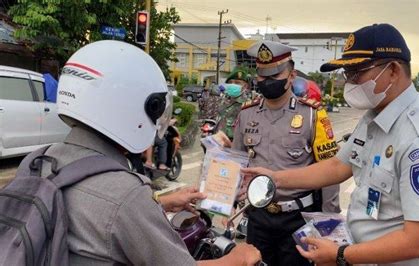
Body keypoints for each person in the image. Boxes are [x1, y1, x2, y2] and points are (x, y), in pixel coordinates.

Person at [243, 24, 419, 265]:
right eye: (347, 73)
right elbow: (337, 167)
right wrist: (275, 179)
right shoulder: (374, 117)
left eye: (357, 72)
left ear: (392, 70)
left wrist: (339, 255)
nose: (350, 82)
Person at [40, 40, 260, 265]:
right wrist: (238, 259)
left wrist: (161, 202)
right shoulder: (126, 193)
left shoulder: (39, 161)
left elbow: (99, 217)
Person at [230, 40, 339, 266]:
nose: (267, 82)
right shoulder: (247, 115)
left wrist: (329, 225)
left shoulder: (312, 115)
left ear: (291, 75)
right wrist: (226, 204)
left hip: (298, 219)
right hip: (258, 217)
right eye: (262, 76)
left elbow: (330, 173)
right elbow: (235, 164)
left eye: (275, 75)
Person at [217, 67, 254, 141]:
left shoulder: (249, 105)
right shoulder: (223, 100)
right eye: (230, 82)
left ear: (245, 86)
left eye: (237, 82)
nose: (232, 85)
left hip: (236, 144)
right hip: (219, 141)